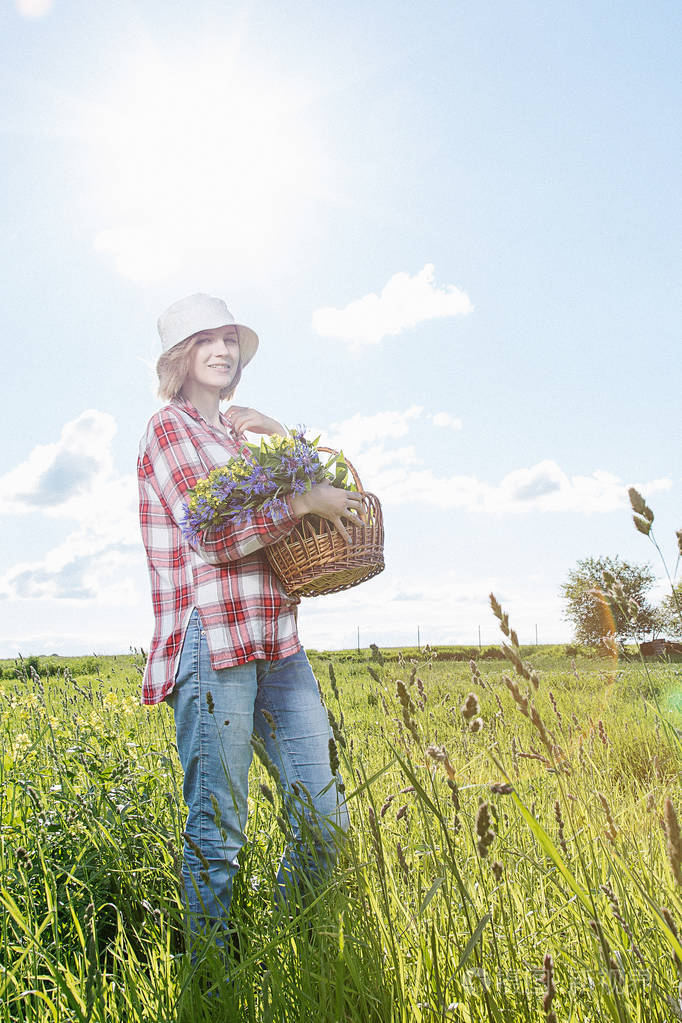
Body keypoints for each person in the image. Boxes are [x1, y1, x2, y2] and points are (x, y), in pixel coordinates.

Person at [137, 293, 360, 949]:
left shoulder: (234, 436)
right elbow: (210, 532)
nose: (223, 350)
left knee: (325, 817)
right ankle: (216, 979)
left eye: (230, 340)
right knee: (218, 827)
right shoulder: (168, 429)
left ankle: (286, 948)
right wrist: (297, 502)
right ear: (181, 357)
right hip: (214, 642)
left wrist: (284, 434)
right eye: (206, 340)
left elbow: (324, 491)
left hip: (278, 642)